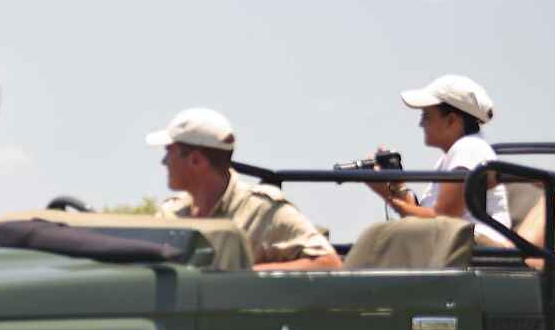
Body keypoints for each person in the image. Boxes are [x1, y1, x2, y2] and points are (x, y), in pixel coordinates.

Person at [152, 108, 342, 271]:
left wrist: (247, 278)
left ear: (196, 160)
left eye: (170, 151)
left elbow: (327, 263)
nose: (164, 161)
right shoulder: (170, 214)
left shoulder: (263, 210)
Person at [364, 74, 511, 245]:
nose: (421, 124)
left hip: (476, 253)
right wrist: (397, 187)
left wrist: (387, 196)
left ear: (451, 120)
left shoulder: (468, 149)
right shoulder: (456, 153)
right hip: (463, 251)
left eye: (426, 116)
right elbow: (431, 218)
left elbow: (441, 222)